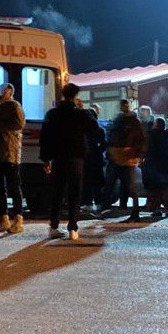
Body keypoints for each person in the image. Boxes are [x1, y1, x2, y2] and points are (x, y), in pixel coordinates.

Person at [40, 83, 102, 240]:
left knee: (57, 192)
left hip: (58, 157)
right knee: (75, 192)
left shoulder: (52, 114)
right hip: (76, 157)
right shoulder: (80, 114)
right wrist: (84, 110)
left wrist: (46, 158)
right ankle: (73, 227)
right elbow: (94, 127)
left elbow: (45, 137)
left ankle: (54, 225)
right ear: (76, 96)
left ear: (63, 94)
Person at [0, 83, 25, 234]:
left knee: (14, 187)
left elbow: (19, 123)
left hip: (10, 153)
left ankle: (18, 219)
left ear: (9, 91)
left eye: (2, 91)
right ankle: (4, 218)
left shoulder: (14, 105)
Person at [104, 99, 146, 222]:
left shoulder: (131, 122)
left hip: (126, 157)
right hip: (119, 156)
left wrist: (138, 154)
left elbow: (140, 139)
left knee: (129, 186)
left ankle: (134, 210)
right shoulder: (122, 121)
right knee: (113, 183)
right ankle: (109, 207)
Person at [142, 118, 168, 218]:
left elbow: (145, 149)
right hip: (166, 166)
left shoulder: (151, 136)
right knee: (166, 188)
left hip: (153, 166)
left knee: (154, 189)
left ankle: (156, 209)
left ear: (155, 125)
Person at [81, 104, 107, 212]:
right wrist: (97, 151)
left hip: (86, 159)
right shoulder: (100, 130)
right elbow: (104, 145)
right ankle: (98, 203)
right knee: (97, 183)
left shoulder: (83, 130)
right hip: (97, 159)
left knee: (87, 182)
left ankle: (88, 204)